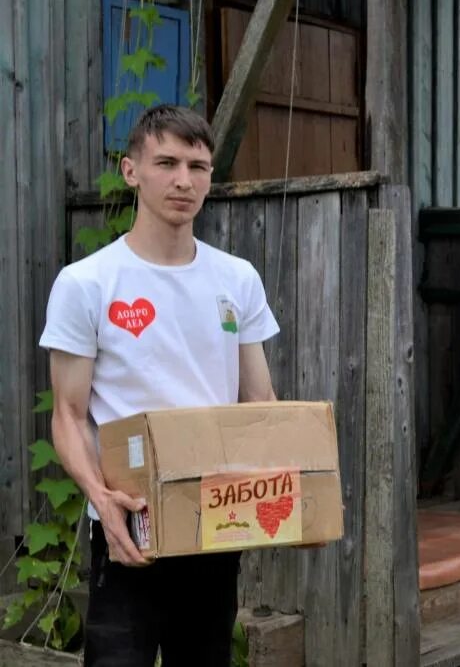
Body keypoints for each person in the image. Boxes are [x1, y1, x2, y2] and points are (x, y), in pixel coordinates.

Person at [40, 105, 280, 666]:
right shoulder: (86, 284)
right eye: (166, 163)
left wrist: (285, 490)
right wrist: (101, 498)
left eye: (197, 167)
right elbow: (68, 416)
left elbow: (260, 403)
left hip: (214, 520)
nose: (183, 181)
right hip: (129, 525)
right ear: (131, 171)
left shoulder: (237, 278)